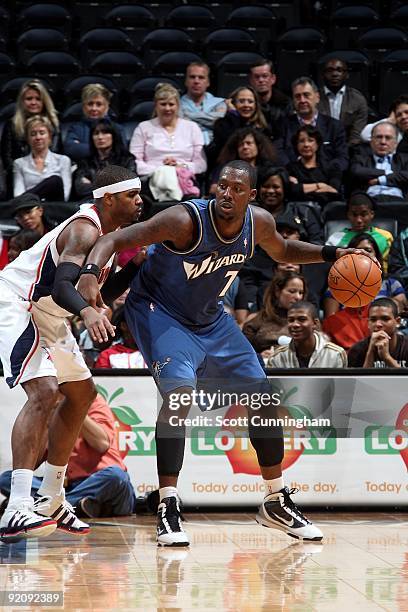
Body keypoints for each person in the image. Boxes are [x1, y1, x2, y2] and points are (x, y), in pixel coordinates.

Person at [77, 160, 369, 546]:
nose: (226, 194)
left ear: (251, 196)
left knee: (263, 397)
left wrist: (333, 254)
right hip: (159, 311)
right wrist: (88, 273)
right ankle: (167, 503)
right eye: (222, 186)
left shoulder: (259, 223)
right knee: (179, 397)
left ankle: (275, 500)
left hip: (210, 318)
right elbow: (112, 240)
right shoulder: (183, 220)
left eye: (236, 189)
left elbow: (283, 249)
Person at [0, 165, 143, 542]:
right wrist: (88, 311)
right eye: (133, 195)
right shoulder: (84, 228)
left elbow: (98, 296)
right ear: (109, 199)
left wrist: (137, 267)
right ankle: (16, 507)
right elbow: (65, 287)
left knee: (81, 394)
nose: (140, 201)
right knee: (46, 392)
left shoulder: (110, 240)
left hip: (49, 311)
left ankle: (51, 497)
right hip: (18, 302)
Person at [0, 394, 137, 518]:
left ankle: (48, 507)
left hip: (100, 481)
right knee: (9, 478)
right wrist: (47, 423)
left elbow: (102, 443)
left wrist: (75, 408)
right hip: (67, 487)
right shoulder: (49, 409)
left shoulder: (93, 400)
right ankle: (78, 505)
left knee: (116, 476)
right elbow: (33, 464)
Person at [239, 166, 324, 310]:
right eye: (266, 186)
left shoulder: (302, 212)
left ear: (284, 189)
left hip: (297, 264)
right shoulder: (247, 213)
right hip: (260, 263)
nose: (271, 191)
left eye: (276, 187)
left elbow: (317, 243)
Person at [129, 83, 206, 201]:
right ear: (156, 106)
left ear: (178, 106)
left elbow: (201, 164)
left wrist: (180, 167)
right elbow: (134, 161)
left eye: (171, 104)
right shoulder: (143, 127)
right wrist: (162, 169)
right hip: (151, 179)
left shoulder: (192, 127)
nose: (167, 108)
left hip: (185, 178)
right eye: (163, 104)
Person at [324, 233, 407, 317]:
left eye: (368, 250)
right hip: (351, 329)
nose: (363, 254)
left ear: (376, 255)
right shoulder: (336, 283)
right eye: (358, 250)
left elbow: (400, 311)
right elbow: (331, 320)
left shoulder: (392, 284)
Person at [276, 77, 348, 173]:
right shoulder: (282, 125)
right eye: (297, 96)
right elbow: (278, 155)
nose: (302, 100)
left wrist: (321, 172)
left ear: (317, 97)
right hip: (293, 178)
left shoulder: (334, 126)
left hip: (326, 178)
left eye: (306, 95)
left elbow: (342, 159)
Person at [1, 79, 60, 173]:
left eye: (38, 99)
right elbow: (7, 159)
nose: (33, 102)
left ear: (44, 101)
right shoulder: (11, 125)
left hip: (49, 174)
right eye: (29, 99)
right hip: (19, 174)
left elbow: (57, 152)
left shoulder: (53, 123)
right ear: (22, 101)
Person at [242, 271, 306, 358]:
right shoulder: (256, 321)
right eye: (292, 291)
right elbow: (242, 354)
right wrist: (259, 356)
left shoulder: (308, 322)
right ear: (277, 292)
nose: (298, 297)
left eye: (301, 293)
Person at [326, 192, 394, 272]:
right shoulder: (335, 238)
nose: (359, 220)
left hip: (379, 281)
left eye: (363, 214)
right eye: (354, 215)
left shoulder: (386, 237)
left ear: (371, 214)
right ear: (348, 215)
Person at [207, 86, 272, 170]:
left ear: (256, 105)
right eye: (241, 101)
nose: (246, 105)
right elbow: (229, 146)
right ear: (233, 104)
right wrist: (234, 115)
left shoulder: (263, 127)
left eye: (250, 101)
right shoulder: (222, 124)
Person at [268, 301, 347, 368]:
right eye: (291, 320)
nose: (295, 324)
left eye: (302, 319)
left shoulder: (335, 354)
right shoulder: (277, 356)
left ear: (315, 323)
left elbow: (339, 386)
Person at [13, 116, 72, 201]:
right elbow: (18, 196)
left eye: (42, 133)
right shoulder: (19, 163)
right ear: (27, 139)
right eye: (33, 134)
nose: (38, 137)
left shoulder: (63, 160)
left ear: (50, 137)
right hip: (29, 208)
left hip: (54, 207)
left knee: (55, 181)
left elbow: (65, 195)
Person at [74, 121, 136, 200]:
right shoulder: (85, 162)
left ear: (114, 136)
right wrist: (113, 186)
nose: (100, 137)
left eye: (105, 133)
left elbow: (129, 187)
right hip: (91, 203)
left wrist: (93, 185)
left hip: (119, 203)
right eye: (96, 133)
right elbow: (80, 189)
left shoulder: (127, 160)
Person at [64, 83, 124, 162]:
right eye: (90, 104)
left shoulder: (118, 129)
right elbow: (71, 149)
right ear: (83, 106)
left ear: (107, 106)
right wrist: (104, 148)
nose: (94, 108)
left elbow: (121, 151)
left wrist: (83, 147)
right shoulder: (76, 128)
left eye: (99, 104)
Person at [350, 121, 408, 201]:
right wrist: (387, 172)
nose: (383, 142)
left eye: (388, 138)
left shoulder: (404, 159)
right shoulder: (360, 159)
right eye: (379, 137)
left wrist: (380, 180)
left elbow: (406, 175)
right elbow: (357, 171)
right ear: (371, 141)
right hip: (369, 203)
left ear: (395, 143)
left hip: (398, 202)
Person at [209, 127, 277, 193]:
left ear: (258, 146)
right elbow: (214, 188)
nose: (245, 147)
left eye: (249, 143)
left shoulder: (268, 169)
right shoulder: (227, 168)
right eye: (241, 144)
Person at [287, 125, 342, 205]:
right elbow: (292, 190)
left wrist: (303, 189)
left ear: (317, 144)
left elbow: (334, 191)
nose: (306, 145)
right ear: (296, 145)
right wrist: (320, 185)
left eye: (310, 140)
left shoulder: (331, 166)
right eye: (301, 141)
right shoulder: (290, 168)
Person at [318, 58, 368, 146]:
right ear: (323, 74)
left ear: (347, 74)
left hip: (349, 149)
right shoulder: (313, 98)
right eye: (330, 70)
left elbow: (356, 135)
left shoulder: (358, 99)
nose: (334, 74)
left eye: (339, 70)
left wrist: (344, 152)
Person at [348, 298, 408, 368]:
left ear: (397, 322)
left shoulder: (406, 347)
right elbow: (360, 379)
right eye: (373, 320)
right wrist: (370, 352)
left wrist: (387, 358)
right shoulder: (357, 350)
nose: (378, 324)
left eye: (385, 319)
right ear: (368, 323)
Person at [180, 61, 227, 145]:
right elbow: (181, 127)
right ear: (186, 81)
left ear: (208, 82)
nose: (196, 81)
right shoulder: (175, 105)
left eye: (201, 77)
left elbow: (219, 124)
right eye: (192, 77)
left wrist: (188, 116)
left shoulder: (219, 103)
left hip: (215, 148)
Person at [248, 59, 290, 139]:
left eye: (265, 76)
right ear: (251, 80)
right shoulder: (245, 104)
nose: (261, 80)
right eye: (256, 77)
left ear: (273, 79)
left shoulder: (285, 104)